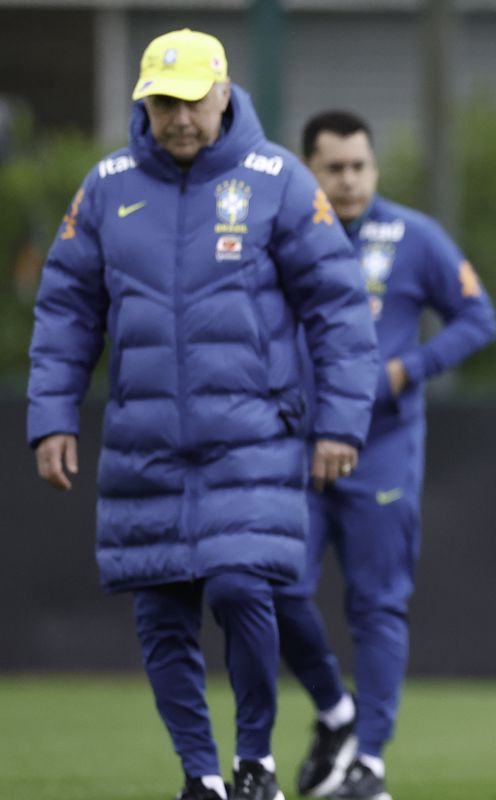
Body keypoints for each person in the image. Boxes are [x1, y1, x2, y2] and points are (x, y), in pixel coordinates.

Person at [27, 29, 378, 800]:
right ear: (144, 103)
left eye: (191, 101)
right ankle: (202, 777)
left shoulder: (279, 181)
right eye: (162, 103)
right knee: (160, 613)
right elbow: (65, 311)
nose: (179, 118)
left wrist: (339, 424)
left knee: (241, 587)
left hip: (252, 438)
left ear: (223, 94)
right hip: (144, 443)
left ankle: (255, 762)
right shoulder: (106, 187)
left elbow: (341, 312)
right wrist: (51, 416)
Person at [276, 110, 496, 800]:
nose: (349, 180)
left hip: (382, 450)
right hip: (294, 450)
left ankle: (368, 763)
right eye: (334, 168)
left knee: (377, 607)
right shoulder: (282, 233)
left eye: (359, 166)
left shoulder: (412, 235)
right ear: (308, 169)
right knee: (272, 589)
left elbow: (478, 318)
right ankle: (334, 712)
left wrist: (408, 369)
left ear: (373, 167)